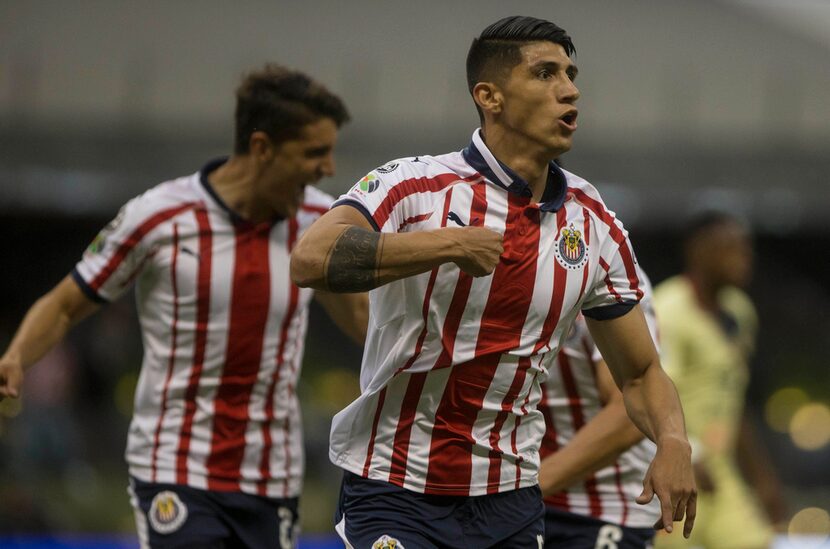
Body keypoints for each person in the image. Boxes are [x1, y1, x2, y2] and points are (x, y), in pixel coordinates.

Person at [291, 15, 696, 548]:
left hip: (512, 498)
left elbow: (641, 374)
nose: (570, 90)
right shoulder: (415, 185)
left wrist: (673, 442)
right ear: (490, 96)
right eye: (545, 74)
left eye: (571, 74)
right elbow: (310, 258)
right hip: (397, 485)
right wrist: (450, 243)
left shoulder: (593, 221)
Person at [0, 64, 368, 549]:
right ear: (261, 148)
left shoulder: (316, 222)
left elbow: (365, 322)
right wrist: (15, 358)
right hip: (175, 465)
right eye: (314, 153)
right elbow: (66, 304)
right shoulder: (158, 217)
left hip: (272, 474)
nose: (328, 168)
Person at [653, 212, 786, 549]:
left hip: (720, 467)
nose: (745, 257)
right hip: (672, 466)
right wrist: (690, 453)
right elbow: (651, 391)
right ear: (699, 252)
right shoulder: (669, 308)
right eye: (731, 248)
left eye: (745, 248)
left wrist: (762, 477)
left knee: (754, 542)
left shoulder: (739, 312)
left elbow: (733, 400)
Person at [538, 269, 661, 549]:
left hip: (604, 507)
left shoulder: (607, 269)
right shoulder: (496, 269)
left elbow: (629, 412)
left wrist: (529, 488)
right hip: (525, 506)